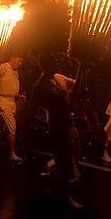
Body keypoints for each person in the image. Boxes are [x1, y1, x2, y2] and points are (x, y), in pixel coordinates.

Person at [28, 52, 82, 209]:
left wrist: (80, 66)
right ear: (43, 66)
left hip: (68, 124)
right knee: (65, 163)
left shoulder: (57, 78)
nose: (54, 66)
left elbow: (77, 86)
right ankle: (64, 197)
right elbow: (32, 110)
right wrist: (29, 125)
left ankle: (52, 175)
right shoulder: (39, 86)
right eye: (50, 64)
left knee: (69, 157)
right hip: (57, 127)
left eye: (55, 64)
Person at [0, 53, 24, 161]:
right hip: (3, 101)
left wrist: (18, 96)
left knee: (6, 127)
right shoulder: (3, 67)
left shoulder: (15, 72)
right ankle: (12, 153)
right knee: (12, 127)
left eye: (21, 62)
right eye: (18, 61)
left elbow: (12, 87)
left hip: (12, 101)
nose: (20, 64)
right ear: (12, 58)